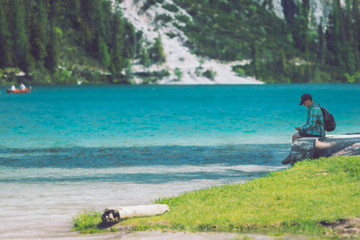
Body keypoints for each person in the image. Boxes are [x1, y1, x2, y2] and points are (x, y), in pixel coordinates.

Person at [282, 93, 325, 165]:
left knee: (295, 136)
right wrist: (302, 128)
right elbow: (311, 124)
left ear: (308, 100)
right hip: (315, 131)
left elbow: (312, 125)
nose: (304, 105)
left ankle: (291, 156)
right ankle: (291, 155)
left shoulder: (314, 109)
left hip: (317, 132)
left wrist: (302, 128)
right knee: (296, 135)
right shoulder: (312, 108)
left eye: (304, 103)